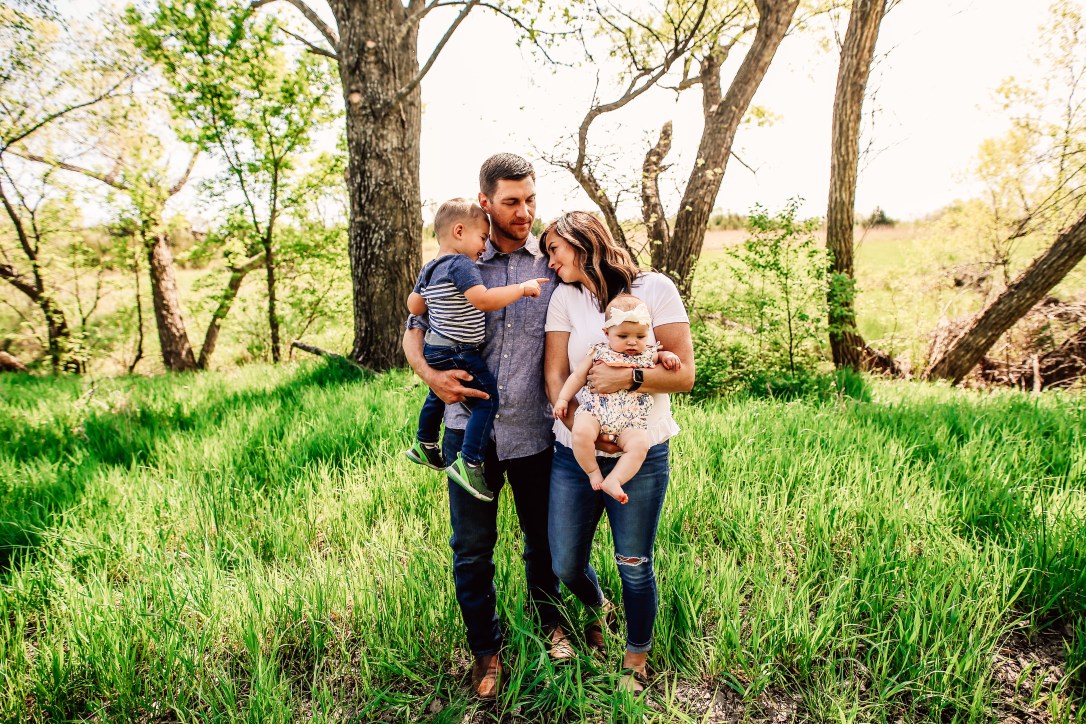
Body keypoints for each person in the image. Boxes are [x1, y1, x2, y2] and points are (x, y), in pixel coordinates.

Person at [402, 154, 560, 700]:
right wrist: (431, 377)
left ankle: (552, 626)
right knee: (472, 550)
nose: (525, 212)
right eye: (512, 202)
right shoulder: (456, 259)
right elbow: (413, 327)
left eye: (531, 200)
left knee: (544, 545)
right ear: (485, 202)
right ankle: (485, 652)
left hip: (535, 433)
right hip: (465, 428)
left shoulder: (553, 264)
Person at [542, 211, 694, 693]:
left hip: (640, 452)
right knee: (565, 561)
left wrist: (628, 377)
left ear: (580, 243)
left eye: (554, 250)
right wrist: (574, 423)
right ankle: (597, 607)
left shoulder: (656, 289)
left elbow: (684, 374)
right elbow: (554, 374)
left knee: (634, 561)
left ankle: (636, 655)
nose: (549, 261)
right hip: (575, 451)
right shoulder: (564, 297)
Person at [404, 197, 548, 501]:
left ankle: (425, 442)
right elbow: (482, 300)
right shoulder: (460, 264)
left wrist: (439, 302)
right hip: (458, 349)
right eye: (482, 237)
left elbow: (414, 305)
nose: (484, 245)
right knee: (486, 399)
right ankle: (469, 462)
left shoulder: (430, 268)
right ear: (459, 232)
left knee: (436, 394)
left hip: (436, 348)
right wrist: (522, 289)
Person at [552, 293, 682, 504]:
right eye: (623, 336)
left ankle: (614, 480)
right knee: (581, 431)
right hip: (595, 411)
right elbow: (577, 377)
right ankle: (593, 471)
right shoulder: (598, 352)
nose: (632, 342)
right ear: (607, 332)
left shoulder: (649, 353)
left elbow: (662, 356)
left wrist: (669, 357)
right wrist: (563, 399)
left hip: (631, 420)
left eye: (640, 337)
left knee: (640, 445)